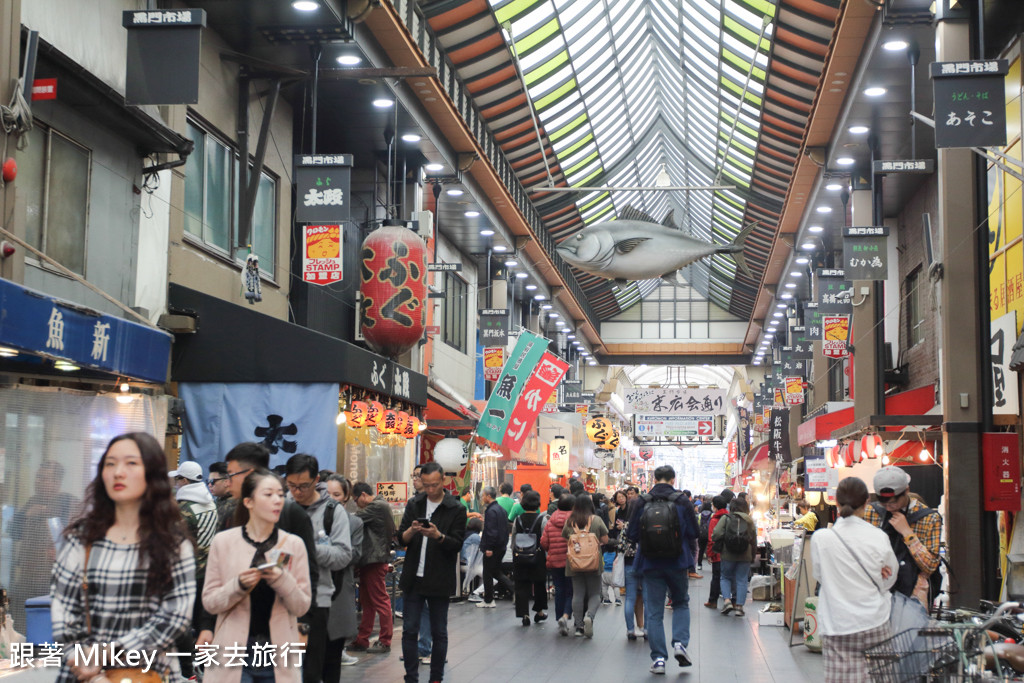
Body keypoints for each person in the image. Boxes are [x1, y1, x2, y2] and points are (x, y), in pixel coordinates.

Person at [50, 433, 195, 683]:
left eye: (131, 463)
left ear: (152, 474)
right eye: (110, 463)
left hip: (145, 674)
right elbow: (63, 609)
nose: (118, 472)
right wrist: (84, 663)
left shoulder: (173, 544)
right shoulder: (81, 538)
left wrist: (106, 654)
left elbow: (175, 617)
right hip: (82, 676)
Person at [196, 442, 317, 650]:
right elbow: (214, 576)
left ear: (249, 473)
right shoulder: (229, 514)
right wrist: (207, 626)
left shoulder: (290, 514)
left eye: (232, 473)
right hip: (233, 630)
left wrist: (303, 624)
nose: (228, 481)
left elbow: (310, 575)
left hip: (279, 630)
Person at [202, 468, 312, 683]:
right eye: (268, 494)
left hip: (278, 651)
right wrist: (238, 586)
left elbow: (302, 606)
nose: (277, 501)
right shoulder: (223, 542)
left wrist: (282, 580)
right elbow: (210, 602)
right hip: (233, 651)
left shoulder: (293, 544)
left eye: (280, 495)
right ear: (248, 502)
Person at [812, 476, 898, 683]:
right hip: (875, 619)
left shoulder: (822, 538)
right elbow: (890, 577)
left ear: (836, 502)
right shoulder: (879, 536)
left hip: (838, 623)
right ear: (867, 503)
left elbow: (820, 575)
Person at [284, 454, 352, 683]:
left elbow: (343, 555)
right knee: (282, 668)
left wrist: (306, 548)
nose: (297, 491)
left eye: (303, 485)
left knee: (310, 670)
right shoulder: (280, 506)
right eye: (291, 485)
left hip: (316, 600)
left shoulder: (333, 512)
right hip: (279, 599)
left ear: (316, 481)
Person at [396, 461, 467, 683]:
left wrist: (438, 535)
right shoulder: (414, 504)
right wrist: (411, 531)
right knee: (409, 630)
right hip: (413, 578)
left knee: (439, 632)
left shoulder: (456, 508)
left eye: (434, 485)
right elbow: (400, 539)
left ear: (443, 480)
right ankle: (411, 677)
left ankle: (436, 677)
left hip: (439, 578)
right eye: (425, 484)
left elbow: (456, 544)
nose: (429, 489)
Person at [627, 465, 699, 674]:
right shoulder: (682, 501)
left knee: (655, 611)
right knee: (680, 602)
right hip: (677, 561)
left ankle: (658, 659)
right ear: (673, 480)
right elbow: (694, 532)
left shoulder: (642, 501)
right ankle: (679, 644)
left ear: (654, 479)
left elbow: (631, 534)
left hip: (650, 562)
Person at [10, 460, 79, 632]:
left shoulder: (68, 503)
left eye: (44, 478)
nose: (38, 482)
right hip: (26, 580)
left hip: (53, 582)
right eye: (37, 477)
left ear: (56, 483)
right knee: (21, 629)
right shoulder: (32, 502)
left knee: (47, 632)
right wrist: (27, 514)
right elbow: (13, 532)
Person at [865, 466, 942, 607]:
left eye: (893, 502)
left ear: (906, 491)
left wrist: (907, 533)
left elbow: (930, 566)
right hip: (875, 593)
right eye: (883, 502)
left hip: (913, 598)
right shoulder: (870, 512)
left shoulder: (929, 518)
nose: (888, 507)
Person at [170, 460, 218, 679]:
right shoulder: (209, 502)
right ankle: (207, 670)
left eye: (178, 479)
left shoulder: (183, 509)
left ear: (185, 481)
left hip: (187, 575)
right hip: (208, 573)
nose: (176, 484)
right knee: (203, 626)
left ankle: (189, 672)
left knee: (183, 627)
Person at [350, 481, 396, 654]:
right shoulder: (380, 505)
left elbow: (353, 520)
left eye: (355, 500)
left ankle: (385, 640)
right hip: (369, 559)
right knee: (368, 602)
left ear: (363, 495)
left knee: (379, 600)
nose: (356, 504)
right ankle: (362, 640)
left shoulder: (377, 506)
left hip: (374, 560)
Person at [323, 474, 363, 667]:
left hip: (339, 582)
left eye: (336, 494)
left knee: (336, 634)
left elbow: (354, 554)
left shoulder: (354, 523)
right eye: (326, 493)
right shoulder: (309, 519)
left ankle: (340, 652)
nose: (331, 498)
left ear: (345, 496)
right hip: (313, 585)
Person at [562, 492, 609, 638]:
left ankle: (579, 626)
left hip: (574, 563)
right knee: (595, 593)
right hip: (593, 563)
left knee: (578, 593)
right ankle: (590, 616)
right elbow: (605, 540)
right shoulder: (597, 520)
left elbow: (566, 540)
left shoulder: (570, 521)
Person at [713, 496, 756, 617]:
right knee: (742, 579)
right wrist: (753, 554)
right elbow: (754, 539)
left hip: (728, 553)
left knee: (725, 577)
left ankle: (727, 601)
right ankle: (739, 607)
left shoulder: (726, 518)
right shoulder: (749, 520)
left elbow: (716, 534)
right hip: (745, 554)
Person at [511, 490, 548, 626]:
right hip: (537, 556)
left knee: (521, 585)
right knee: (539, 584)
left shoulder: (518, 519)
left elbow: (514, 538)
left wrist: (515, 552)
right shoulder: (542, 519)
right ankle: (539, 613)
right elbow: (544, 539)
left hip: (520, 556)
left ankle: (524, 614)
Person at [541, 493, 575, 636]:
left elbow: (543, 543)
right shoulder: (574, 520)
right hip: (571, 561)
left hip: (555, 561)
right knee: (571, 591)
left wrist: (552, 550)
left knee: (559, 590)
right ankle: (565, 616)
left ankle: (559, 618)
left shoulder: (550, 521)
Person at [408, 465, 432, 665]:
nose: (414, 479)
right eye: (414, 476)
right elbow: (402, 536)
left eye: (418, 476)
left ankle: (428, 648)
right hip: (415, 566)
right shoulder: (412, 504)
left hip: (435, 569)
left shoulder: (445, 504)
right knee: (416, 611)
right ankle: (420, 648)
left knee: (432, 611)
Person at [478, 485, 514, 608]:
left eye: (483, 496)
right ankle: (514, 590)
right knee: (495, 572)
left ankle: (488, 600)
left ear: (488, 496)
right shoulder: (501, 510)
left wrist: (489, 548)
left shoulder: (491, 511)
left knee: (488, 573)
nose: (482, 498)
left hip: (492, 548)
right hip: (501, 547)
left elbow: (491, 531)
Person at [618, 497, 645, 641]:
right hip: (646, 565)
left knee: (630, 598)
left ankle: (630, 629)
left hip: (629, 564)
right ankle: (646, 629)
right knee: (647, 598)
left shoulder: (626, 526)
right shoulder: (648, 524)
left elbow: (620, 546)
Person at [703, 495, 728, 609]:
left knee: (716, 578)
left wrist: (710, 554)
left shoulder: (714, 519)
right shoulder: (729, 517)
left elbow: (711, 539)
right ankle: (729, 600)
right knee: (727, 577)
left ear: (715, 506)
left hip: (718, 554)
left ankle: (713, 601)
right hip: (728, 553)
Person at [696, 500, 713, 569]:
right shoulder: (712, 515)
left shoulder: (699, 515)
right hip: (710, 534)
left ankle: (699, 564)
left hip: (701, 535)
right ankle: (712, 563)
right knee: (711, 548)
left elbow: (697, 525)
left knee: (701, 550)